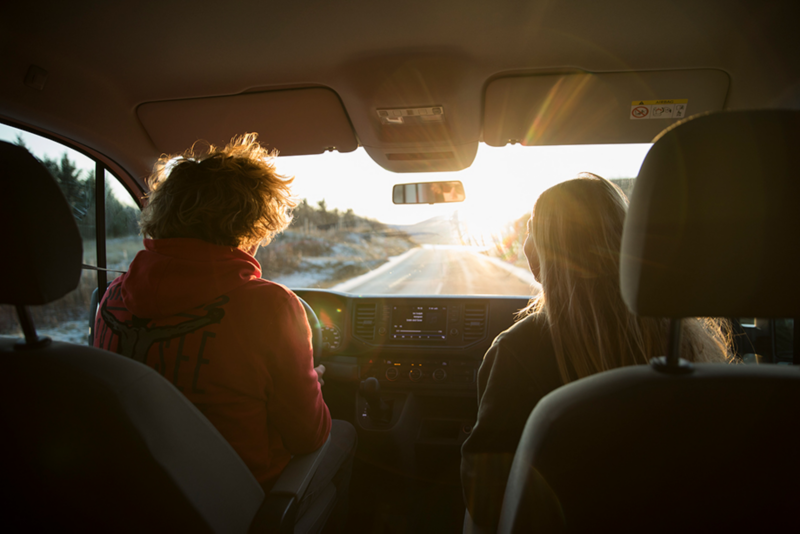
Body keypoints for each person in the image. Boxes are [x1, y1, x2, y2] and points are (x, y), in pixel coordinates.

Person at [93, 133, 356, 525]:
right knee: (345, 434)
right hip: (239, 507)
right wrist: (312, 381)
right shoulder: (271, 305)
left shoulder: (111, 299)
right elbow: (308, 436)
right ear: (251, 222)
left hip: (129, 501)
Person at [460, 174, 730, 530]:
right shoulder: (689, 341)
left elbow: (487, 496)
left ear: (542, 250)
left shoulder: (518, 350)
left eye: (531, 230)